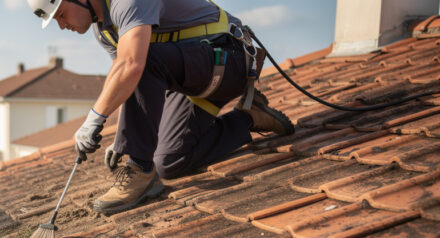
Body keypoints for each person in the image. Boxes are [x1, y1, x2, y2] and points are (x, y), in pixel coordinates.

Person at [26, 0, 294, 214]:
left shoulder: (127, 2)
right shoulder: (104, 29)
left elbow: (132, 66)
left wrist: (95, 119)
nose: (62, 26)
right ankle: (247, 118)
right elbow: (123, 80)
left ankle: (140, 169)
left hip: (230, 60)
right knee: (169, 162)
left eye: (61, 14)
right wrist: (122, 138)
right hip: (194, 76)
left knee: (140, 61)